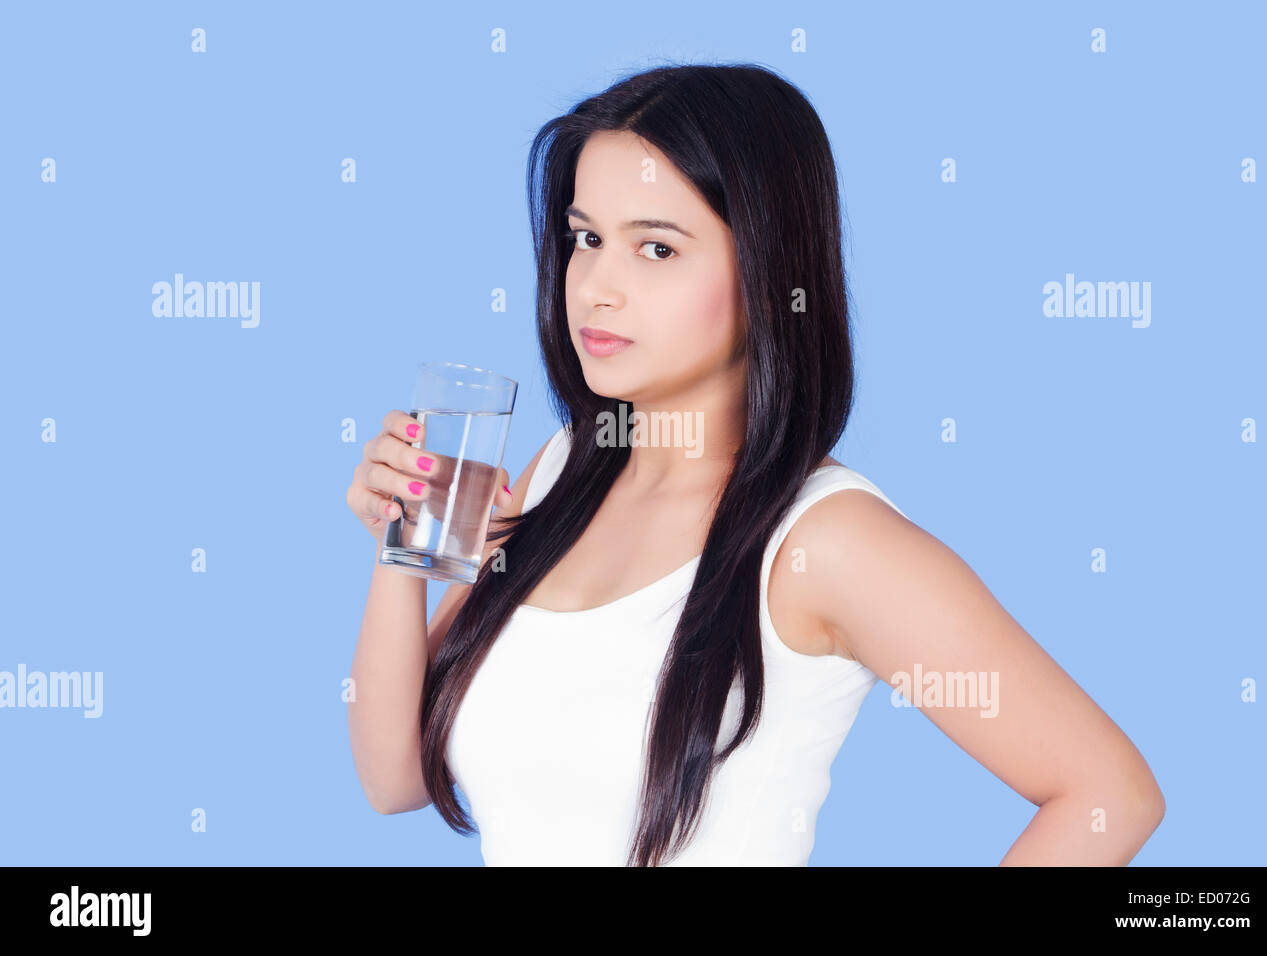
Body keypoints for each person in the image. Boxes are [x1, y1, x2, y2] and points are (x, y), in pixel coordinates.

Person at [346, 62, 1165, 866]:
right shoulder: (562, 471)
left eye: (657, 249)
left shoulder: (826, 541)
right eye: (587, 237)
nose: (595, 284)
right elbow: (396, 777)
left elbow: (1108, 797)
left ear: (771, 273)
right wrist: (402, 547)